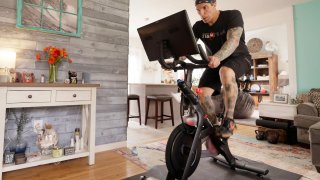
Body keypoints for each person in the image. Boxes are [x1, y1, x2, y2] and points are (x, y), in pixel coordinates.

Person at [193, 0, 252, 138]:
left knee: (225, 70)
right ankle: (212, 126)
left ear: (214, 4)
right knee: (201, 93)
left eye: (204, 8)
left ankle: (228, 121)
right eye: (198, 10)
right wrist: (176, 57)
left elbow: (233, 41)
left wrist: (218, 56)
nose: (201, 13)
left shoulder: (233, 15)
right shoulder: (198, 27)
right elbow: (187, 46)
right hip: (216, 62)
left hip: (239, 57)